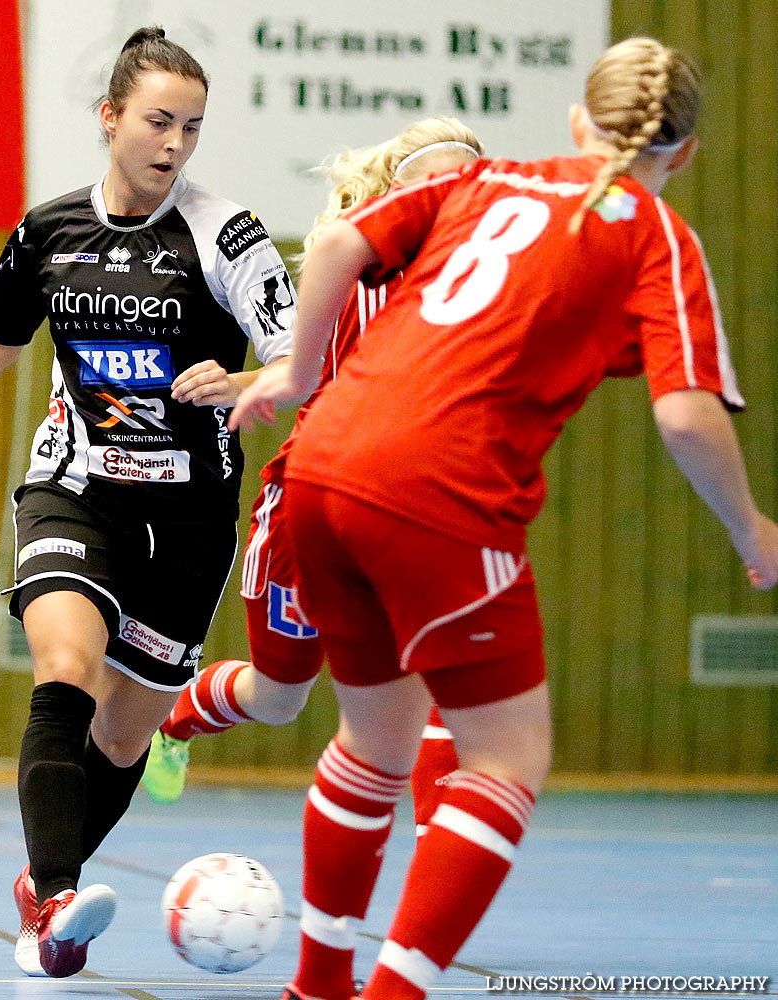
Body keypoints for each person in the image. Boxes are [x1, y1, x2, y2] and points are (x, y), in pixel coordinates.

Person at [230, 36, 778, 1000]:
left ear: (577, 121)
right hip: (436, 492)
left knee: (375, 742)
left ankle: (317, 986)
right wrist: (751, 530)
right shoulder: (654, 233)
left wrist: (301, 374)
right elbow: (686, 414)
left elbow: (331, 243)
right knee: (507, 760)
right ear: (682, 154)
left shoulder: (494, 182)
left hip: (319, 469)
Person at [0, 26, 295, 980]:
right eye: (157, 121)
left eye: (192, 127)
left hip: (188, 518)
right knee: (64, 667)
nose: (174, 143)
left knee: (125, 732)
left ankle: (41, 897)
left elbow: (303, 357)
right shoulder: (50, 230)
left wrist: (247, 382)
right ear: (111, 118)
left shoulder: (227, 235)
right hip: (77, 489)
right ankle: (56, 895)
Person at [142, 120, 486, 851]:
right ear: (401, 193)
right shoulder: (354, 265)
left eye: (468, 186)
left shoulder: (480, 290)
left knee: (430, 682)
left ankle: (433, 865)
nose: (454, 198)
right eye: (438, 181)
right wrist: (233, 383)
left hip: (412, 506)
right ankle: (176, 719)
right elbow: (302, 371)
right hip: (311, 503)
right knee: (278, 699)